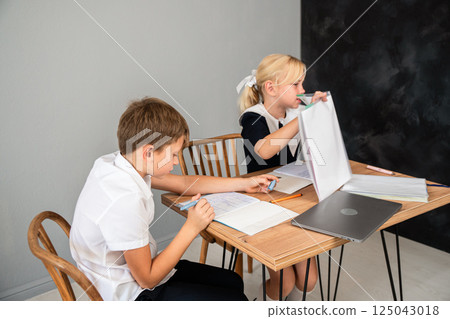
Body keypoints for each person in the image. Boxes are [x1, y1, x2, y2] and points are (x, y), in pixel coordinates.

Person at [69, 97, 277, 301]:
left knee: (232, 281)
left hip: (130, 271)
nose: (177, 162)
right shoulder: (124, 198)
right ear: (148, 152)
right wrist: (192, 226)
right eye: (174, 155)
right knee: (233, 299)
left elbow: (184, 183)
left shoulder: (120, 162)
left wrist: (243, 183)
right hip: (132, 293)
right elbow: (147, 280)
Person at [237, 54, 327, 300]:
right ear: (271, 88)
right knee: (284, 283)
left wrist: (317, 111)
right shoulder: (253, 117)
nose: (303, 90)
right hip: (262, 203)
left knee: (309, 281)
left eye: (303, 84)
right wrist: (302, 117)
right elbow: (265, 150)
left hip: (292, 196)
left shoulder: (292, 113)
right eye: (296, 85)